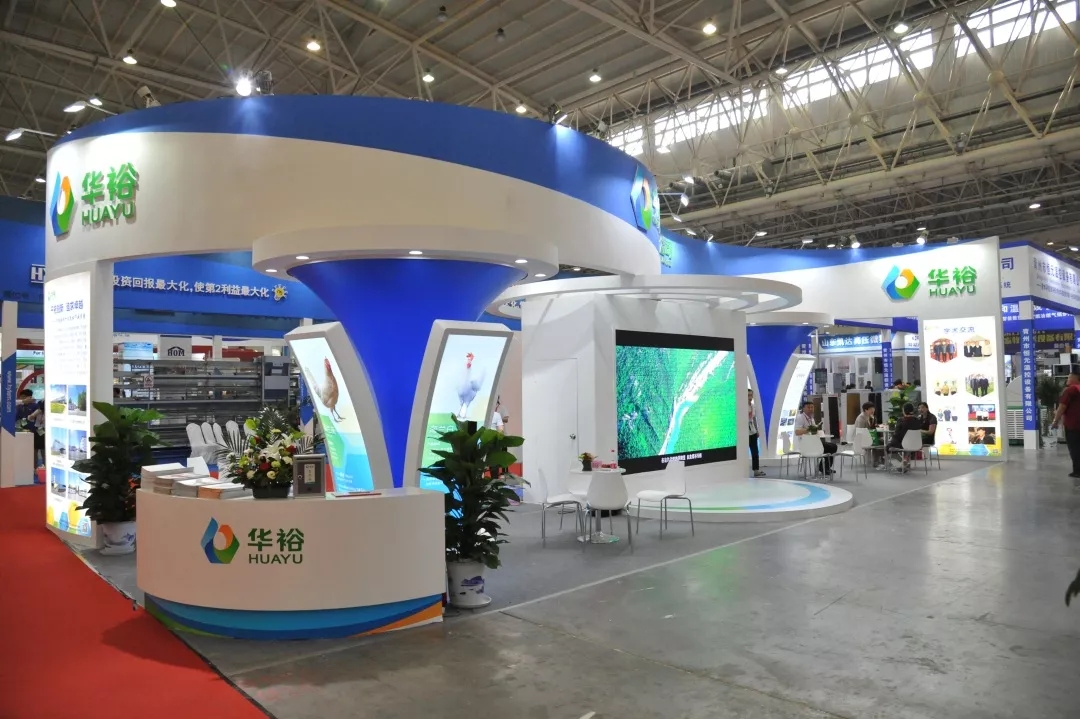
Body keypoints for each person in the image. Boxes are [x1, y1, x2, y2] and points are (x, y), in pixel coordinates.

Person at [794, 400, 836, 474]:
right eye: (808, 407)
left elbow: (813, 431)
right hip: (806, 444)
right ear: (803, 408)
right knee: (830, 447)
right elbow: (797, 432)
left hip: (813, 442)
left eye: (812, 407)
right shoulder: (800, 418)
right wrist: (809, 429)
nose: (810, 409)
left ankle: (825, 467)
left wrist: (816, 431)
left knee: (833, 446)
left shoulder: (811, 418)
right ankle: (823, 468)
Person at [1052, 373, 1080, 478]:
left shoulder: (1070, 390)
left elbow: (1062, 407)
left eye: (1069, 377)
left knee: (1075, 448)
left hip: (1073, 424)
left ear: (1076, 379)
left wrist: (1055, 420)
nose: (1067, 379)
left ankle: (1078, 471)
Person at [888, 403, 923, 471]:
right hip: (916, 444)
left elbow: (897, 434)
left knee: (887, 447)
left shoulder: (901, 420)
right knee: (906, 446)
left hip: (903, 444)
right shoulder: (917, 420)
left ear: (904, 410)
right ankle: (905, 461)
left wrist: (891, 439)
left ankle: (903, 461)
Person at [17, 389, 45, 465]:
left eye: (23, 397)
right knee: (30, 451)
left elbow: (36, 419)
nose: (21, 399)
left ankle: (44, 466)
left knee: (42, 448)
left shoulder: (36, 406)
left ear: (29, 397)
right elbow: (18, 418)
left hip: (38, 430)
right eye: (21, 397)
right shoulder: (19, 406)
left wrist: (25, 421)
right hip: (24, 432)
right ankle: (33, 467)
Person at [747, 389, 765, 477]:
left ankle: (756, 470)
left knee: (755, 451)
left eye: (751, 395)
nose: (750, 397)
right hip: (745, 433)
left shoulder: (753, 406)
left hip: (752, 431)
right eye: (748, 395)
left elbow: (754, 419)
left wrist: (757, 430)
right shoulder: (742, 406)